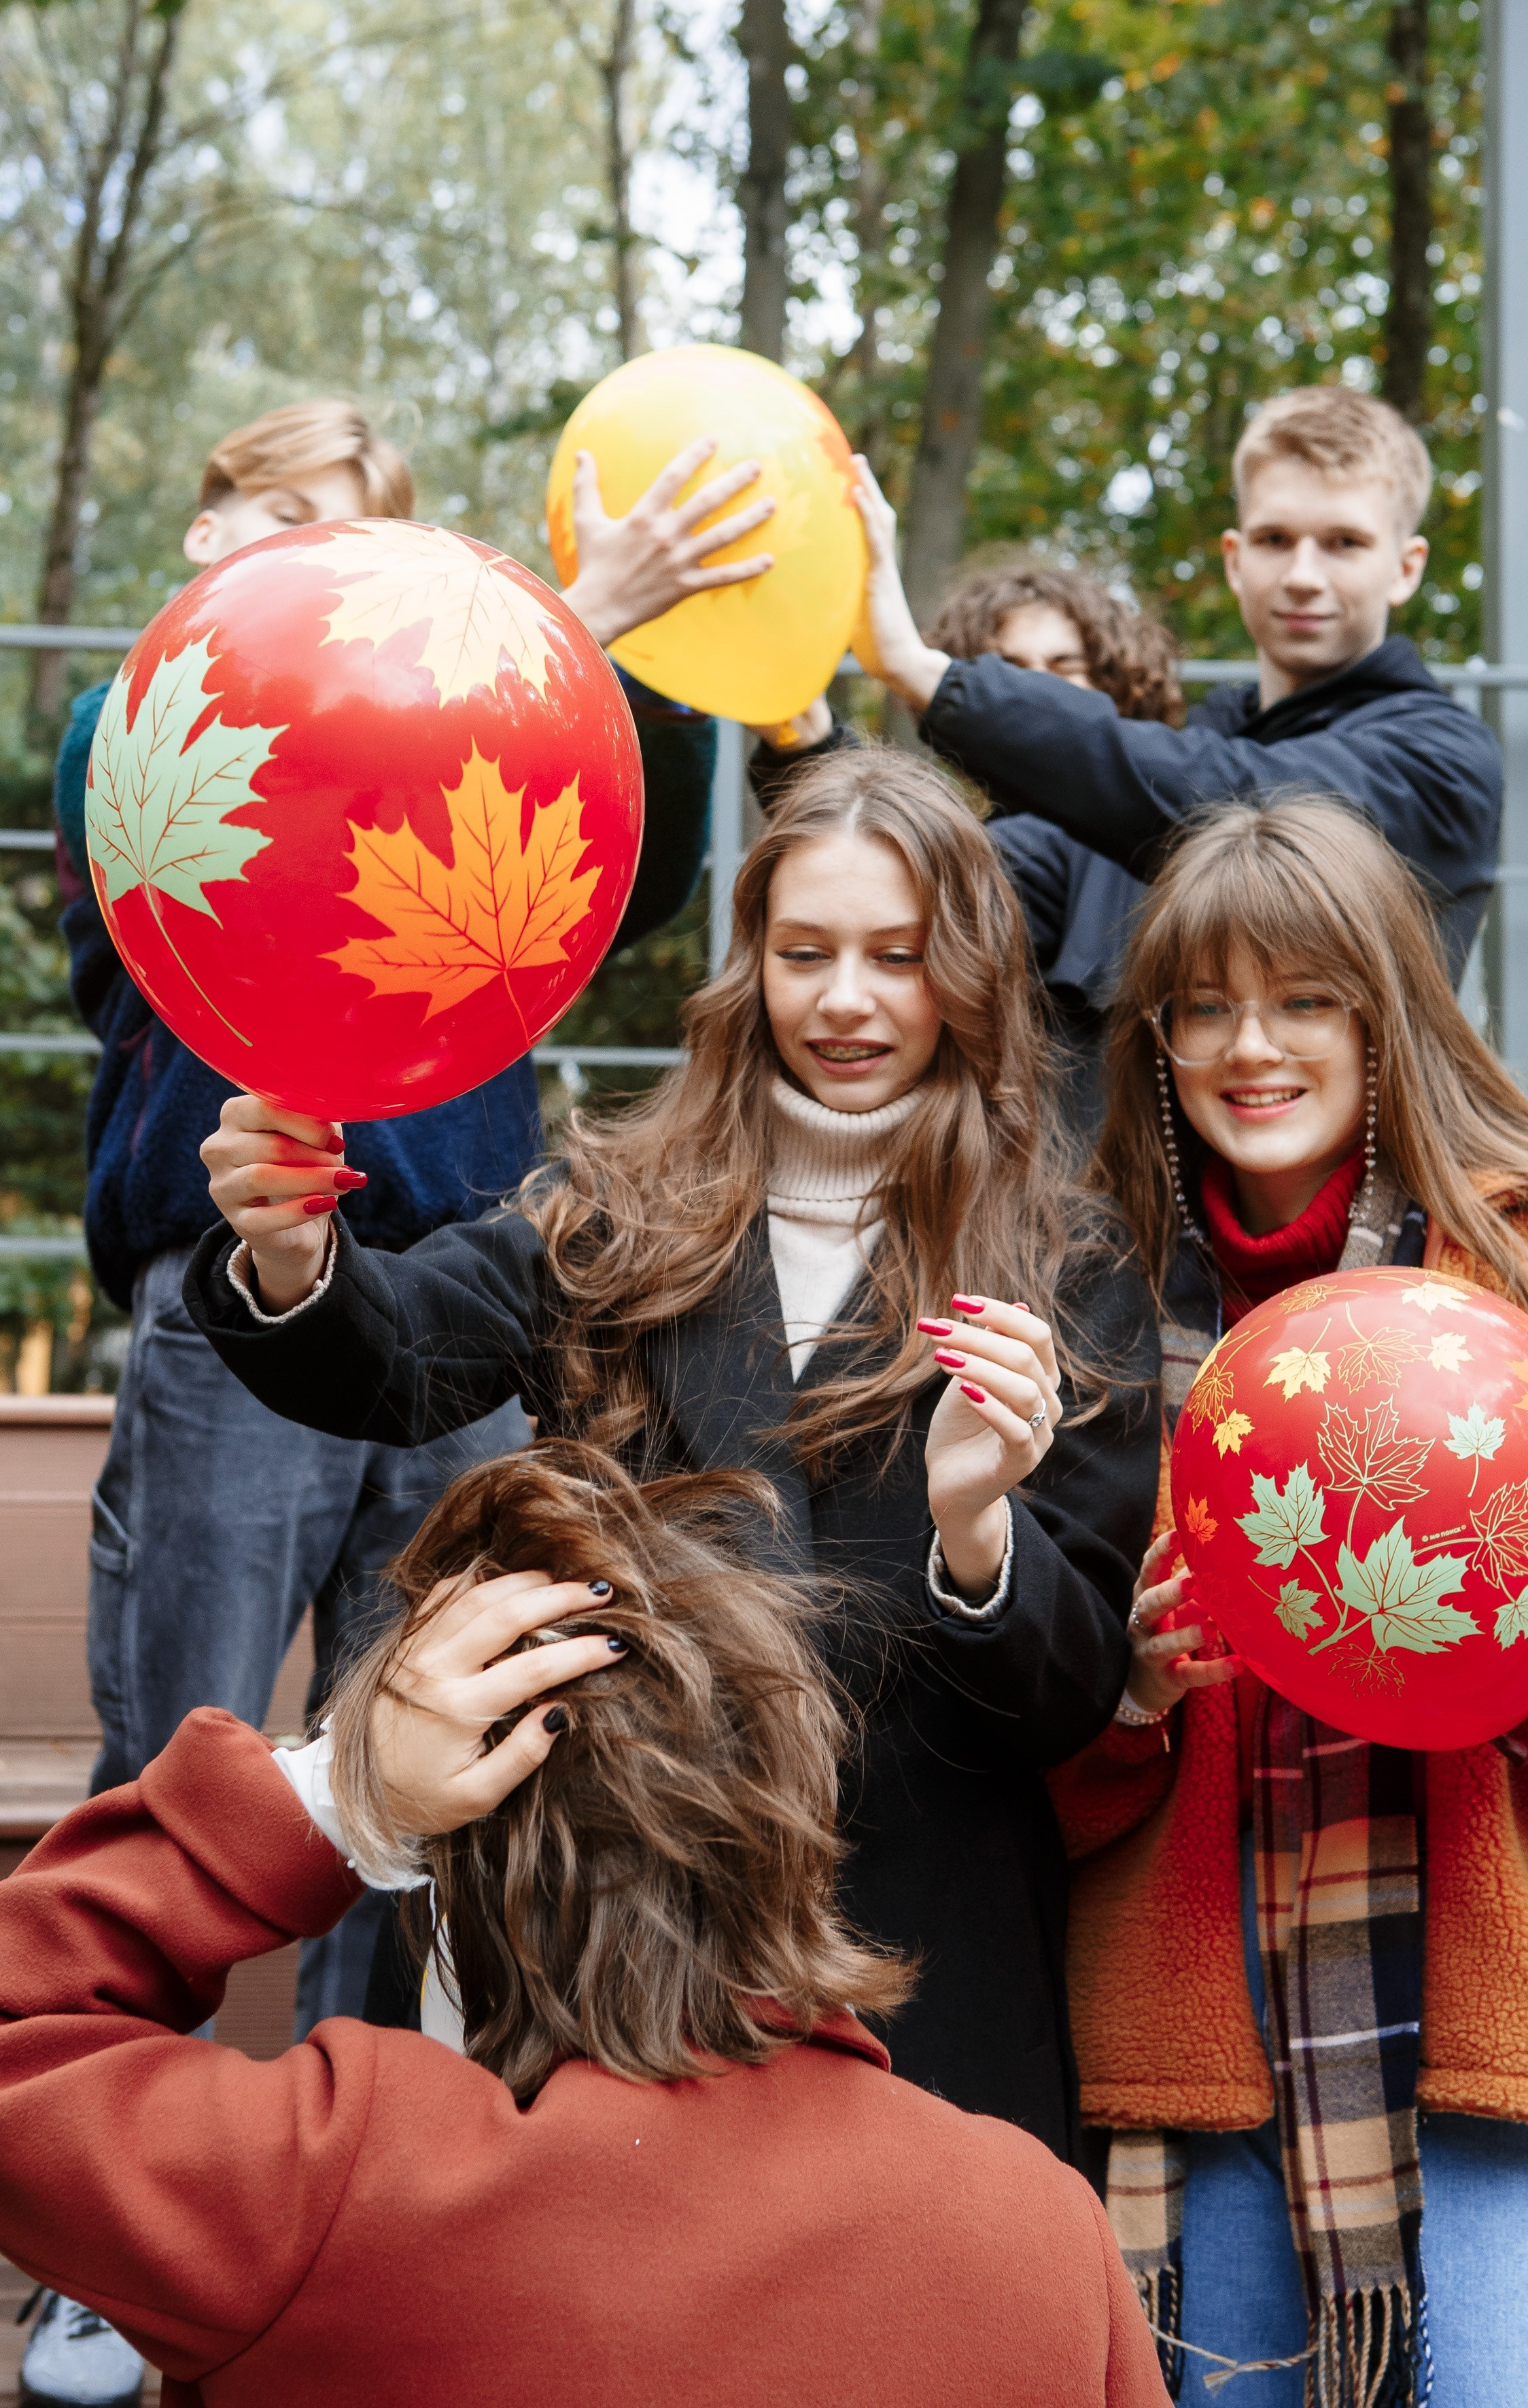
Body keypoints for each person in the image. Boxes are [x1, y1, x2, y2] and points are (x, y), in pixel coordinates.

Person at [25, 395, 780, 2407]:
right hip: (245, 1318)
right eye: (268, 516)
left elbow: (635, 808)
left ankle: (358, 2195)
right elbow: (144, 770)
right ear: (200, 536)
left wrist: (593, 644)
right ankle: (114, 2241)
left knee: (431, 1771)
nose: (301, 557)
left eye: (351, 532)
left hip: (456, 1323)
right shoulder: (145, 721)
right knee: (179, 1736)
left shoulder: (470, 750)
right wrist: (572, 603)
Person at [182, 745, 1162, 2165]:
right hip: (610, 1919)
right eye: (803, 949)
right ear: (748, 962)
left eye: (895, 956)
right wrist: (290, 1253)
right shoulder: (623, 1205)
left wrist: (977, 1530)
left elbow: (1070, 1697)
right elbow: (394, 1351)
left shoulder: (1064, 1262)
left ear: (969, 970)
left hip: (914, 1952)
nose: (843, 999)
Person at [0, 1442, 1170, 2408]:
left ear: (463, 1882)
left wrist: (334, 1798)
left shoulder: (329, 2189)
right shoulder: (1037, 2234)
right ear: (795, 1823)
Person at [1047, 792, 1528, 2405]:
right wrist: (1126, 1692)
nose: (1249, 1046)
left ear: (1388, 1018)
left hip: (1492, 2007)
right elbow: (1016, 1739)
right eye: (1203, 1005)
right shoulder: (1092, 1298)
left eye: (1303, 1000)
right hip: (1195, 2029)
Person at [833, 386, 1504, 985]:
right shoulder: (1177, 769)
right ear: (1235, 562)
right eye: (1275, 539)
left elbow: (1232, 799)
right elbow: (960, 882)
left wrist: (925, 673)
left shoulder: (1441, 762)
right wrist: (801, 732)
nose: (1303, 574)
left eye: (1343, 543)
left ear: (1406, 567)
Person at [752, 557, 1183, 1137]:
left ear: (1119, 687)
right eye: (1007, 669)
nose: (1034, 688)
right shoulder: (968, 847)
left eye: (1065, 666)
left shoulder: (1168, 850)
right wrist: (807, 744)